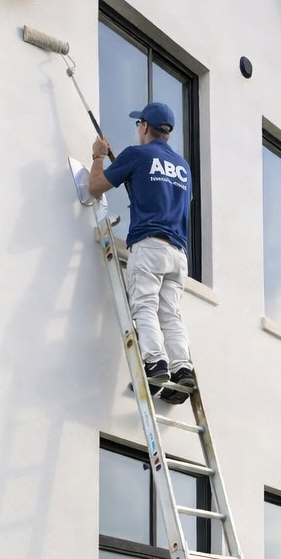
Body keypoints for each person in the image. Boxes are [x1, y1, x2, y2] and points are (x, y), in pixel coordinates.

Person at [88, 100, 196, 404]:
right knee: (170, 314)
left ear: (145, 126)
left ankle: (155, 363)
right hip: (179, 254)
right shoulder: (184, 168)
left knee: (144, 306)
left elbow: (95, 186)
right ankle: (182, 368)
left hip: (149, 246)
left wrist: (98, 156)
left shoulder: (137, 154)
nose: (137, 129)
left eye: (139, 124)